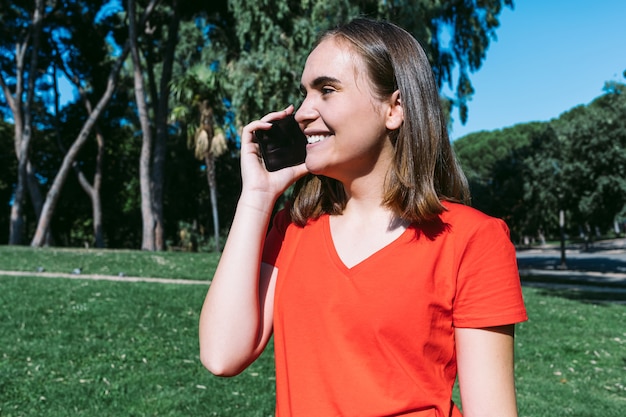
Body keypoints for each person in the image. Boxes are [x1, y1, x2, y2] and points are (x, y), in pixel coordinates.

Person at [199, 18, 528, 417]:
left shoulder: (473, 239)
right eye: (304, 94)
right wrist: (257, 196)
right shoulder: (292, 230)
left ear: (395, 108)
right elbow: (221, 355)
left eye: (327, 90)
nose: (302, 112)